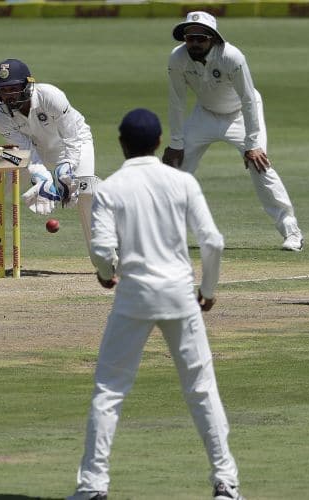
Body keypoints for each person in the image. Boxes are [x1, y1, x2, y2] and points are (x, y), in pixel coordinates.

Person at [67, 109, 244, 500]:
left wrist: (104, 271)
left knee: (109, 391)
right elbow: (212, 241)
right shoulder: (181, 182)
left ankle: (93, 486)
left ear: (122, 143)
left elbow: (100, 248)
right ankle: (226, 483)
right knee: (201, 390)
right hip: (180, 295)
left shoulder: (110, 188)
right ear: (160, 141)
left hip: (133, 298)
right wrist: (209, 289)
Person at [163, 11, 303, 252]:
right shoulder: (177, 59)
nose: (194, 43)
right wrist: (176, 142)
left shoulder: (232, 56)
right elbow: (176, 100)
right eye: (190, 38)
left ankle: (292, 232)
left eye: (201, 38)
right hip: (204, 115)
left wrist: (253, 143)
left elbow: (249, 99)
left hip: (240, 115)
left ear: (213, 38)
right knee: (174, 170)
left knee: (260, 167)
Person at [0, 58, 97, 272]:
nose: (8, 95)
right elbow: (27, 153)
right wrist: (43, 179)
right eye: (2, 90)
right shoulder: (0, 116)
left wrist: (66, 170)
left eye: (13, 88)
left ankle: (103, 255)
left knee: (85, 192)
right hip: (34, 152)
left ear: (27, 85)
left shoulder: (51, 96)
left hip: (72, 145)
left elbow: (72, 139)